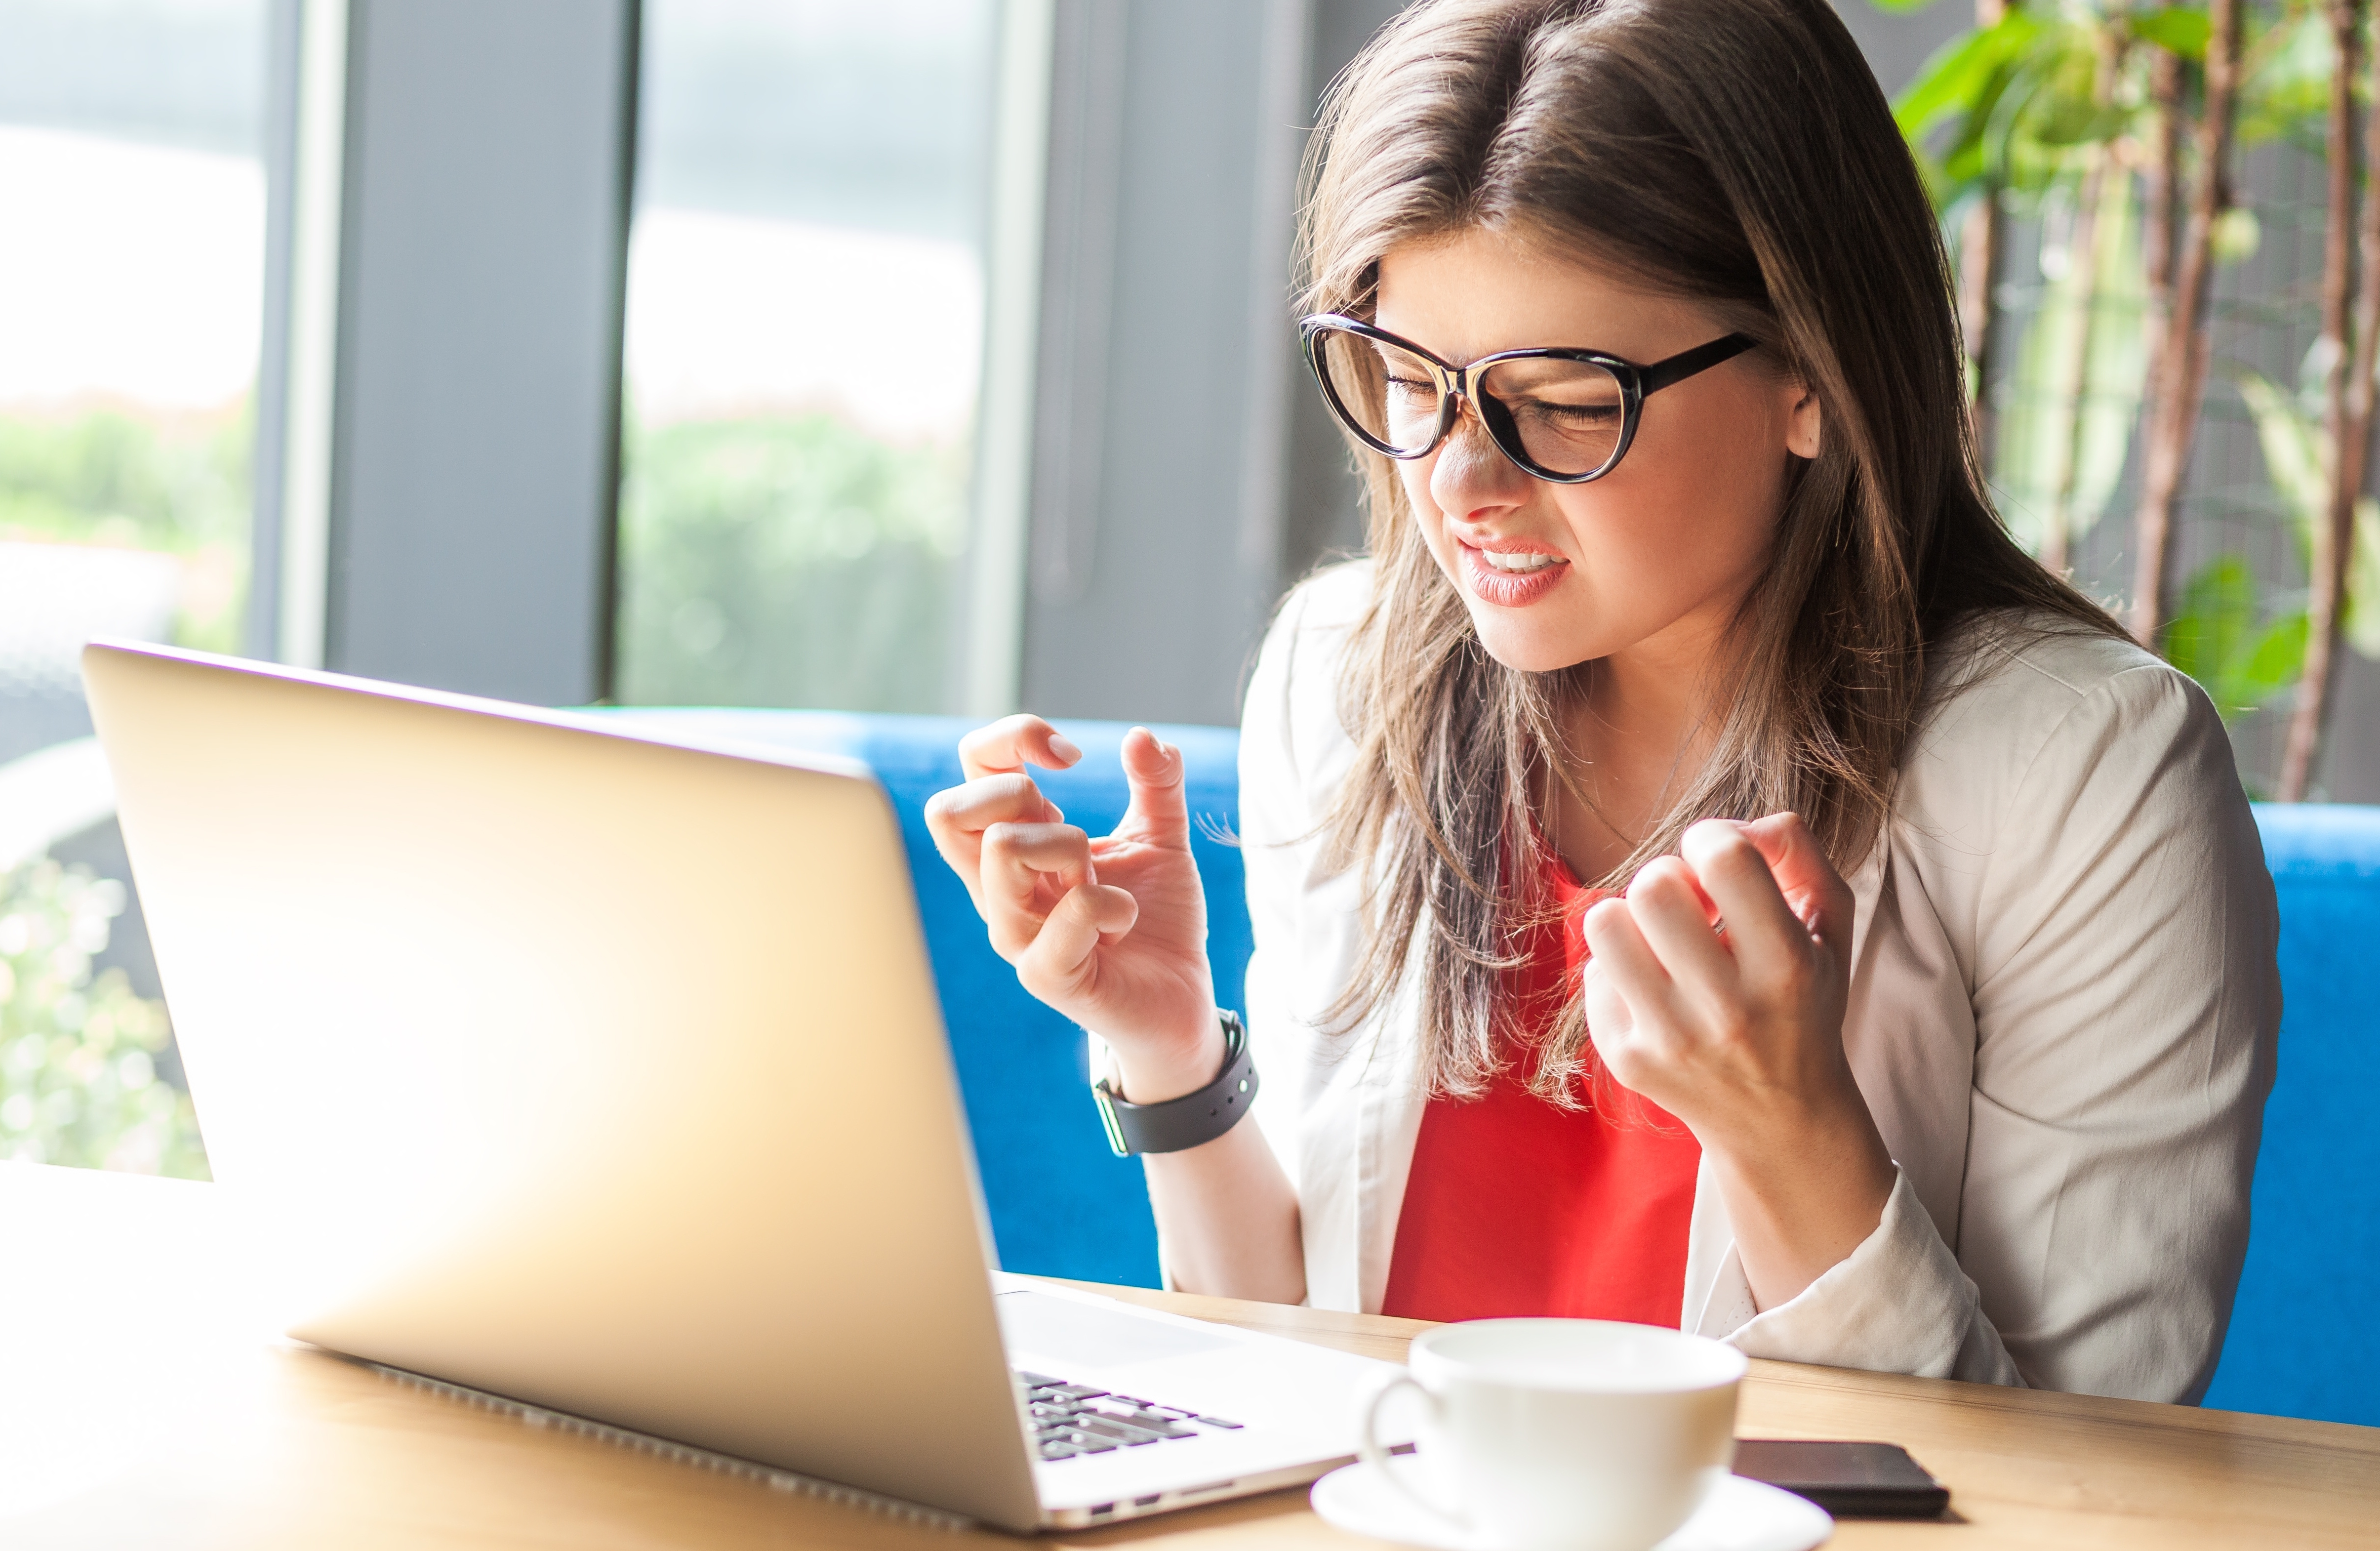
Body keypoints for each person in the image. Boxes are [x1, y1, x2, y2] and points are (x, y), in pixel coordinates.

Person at [926, 0, 2278, 1403]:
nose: (1459, 484)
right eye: (1409, 382)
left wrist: (1792, 1133)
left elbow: (2084, 1472)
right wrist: (1165, 1046)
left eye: (1568, 402)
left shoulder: (2088, 776)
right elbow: (1290, 1365)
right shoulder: (1343, 680)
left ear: (1811, 377)